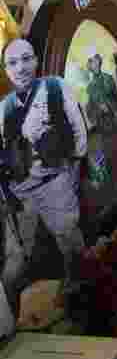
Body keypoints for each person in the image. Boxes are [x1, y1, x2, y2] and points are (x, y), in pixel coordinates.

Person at [0, 39, 89, 310]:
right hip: (21, 194)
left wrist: (71, 173)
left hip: (55, 184)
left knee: (72, 249)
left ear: (36, 61)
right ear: (5, 70)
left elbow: (79, 132)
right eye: (12, 63)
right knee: (18, 258)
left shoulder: (54, 87)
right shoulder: (4, 107)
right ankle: (15, 320)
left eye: (26, 59)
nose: (21, 68)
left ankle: (86, 304)